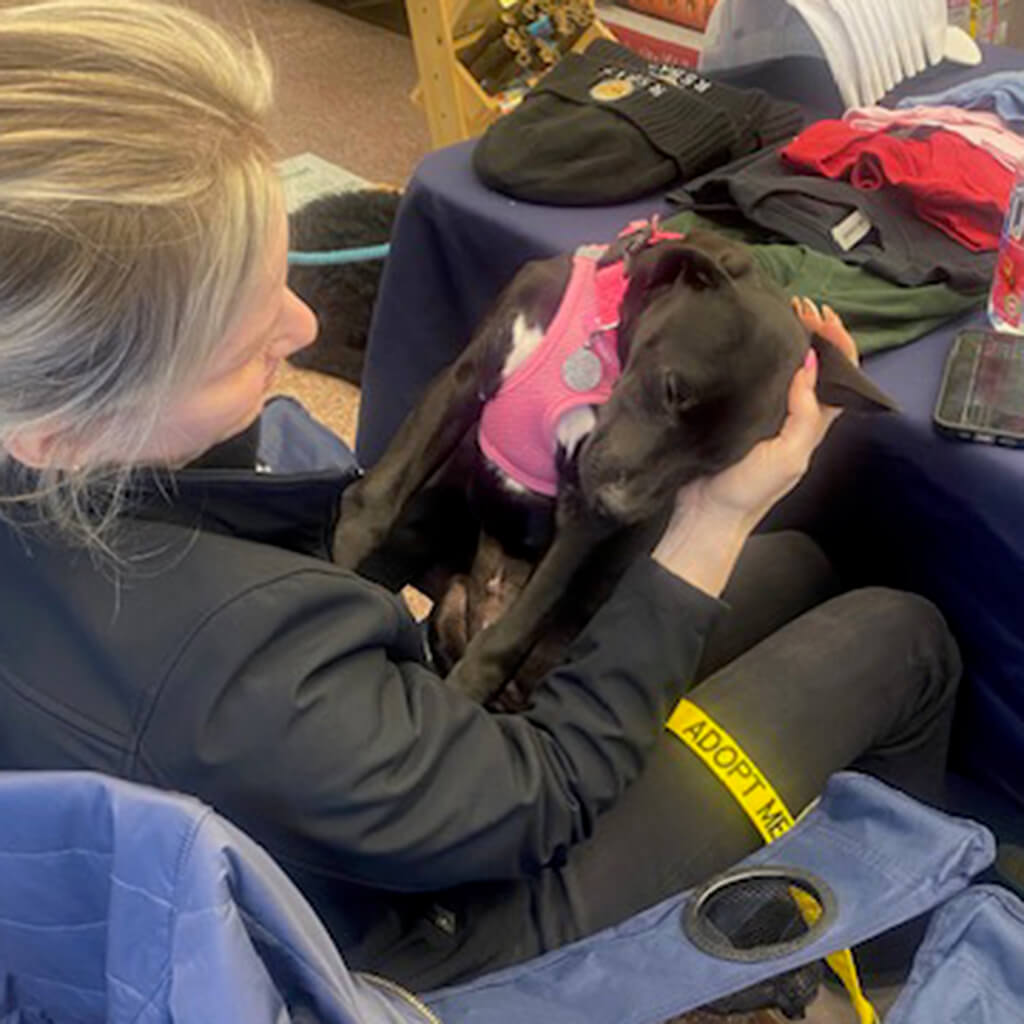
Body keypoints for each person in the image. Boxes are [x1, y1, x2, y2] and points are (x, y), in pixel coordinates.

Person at [0, 0, 960, 995]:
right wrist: (713, 517)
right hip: (445, 927)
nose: (299, 326)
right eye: (245, 342)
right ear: (62, 426)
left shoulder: (56, 478)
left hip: (361, 785)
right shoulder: (238, 664)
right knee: (903, 635)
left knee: (805, 567)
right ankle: (896, 966)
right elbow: (542, 797)